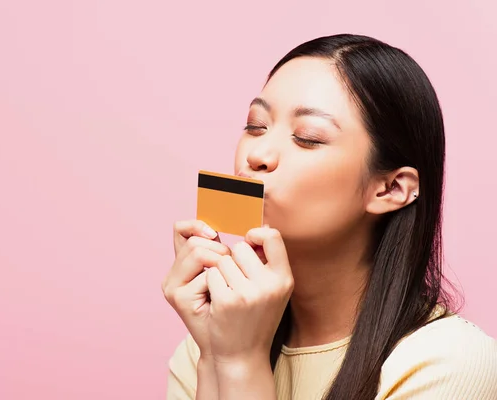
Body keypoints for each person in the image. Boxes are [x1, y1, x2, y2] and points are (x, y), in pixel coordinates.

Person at [161, 33, 497, 400]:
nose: (257, 154)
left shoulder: (449, 363)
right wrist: (215, 356)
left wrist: (241, 362)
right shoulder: (202, 348)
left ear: (391, 189)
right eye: (256, 126)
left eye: (307, 137)